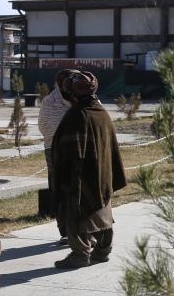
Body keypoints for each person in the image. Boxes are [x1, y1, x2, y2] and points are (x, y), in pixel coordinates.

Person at [51, 71, 127, 270]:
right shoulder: (101, 112)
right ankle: (102, 251)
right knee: (102, 211)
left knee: (77, 213)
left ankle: (80, 254)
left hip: (81, 176)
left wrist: (67, 178)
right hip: (102, 174)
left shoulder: (77, 115)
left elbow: (71, 151)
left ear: (72, 92)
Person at [37, 69, 76, 243]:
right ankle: (66, 231)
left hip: (81, 152)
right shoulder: (50, 102)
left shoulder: (85, 98)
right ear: (61, 83)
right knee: (60, 190)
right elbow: (46, 127)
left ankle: (86, 229)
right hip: (54, 150)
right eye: (71, 81)